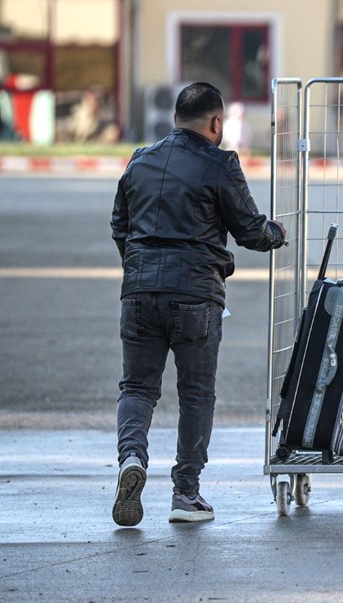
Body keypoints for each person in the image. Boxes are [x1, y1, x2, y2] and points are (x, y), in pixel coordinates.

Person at [110, 82, 286, 526]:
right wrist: (277, 233)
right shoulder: (220, 163)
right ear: (216, 123)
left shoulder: (140, 161)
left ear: (174, 119)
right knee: (195, 395)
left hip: (139, 293)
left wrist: (139, 270)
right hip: (195, 296)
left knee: (137, 388)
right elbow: (250, 231)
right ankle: (185, 495)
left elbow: (119, 226)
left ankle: (132, 459)